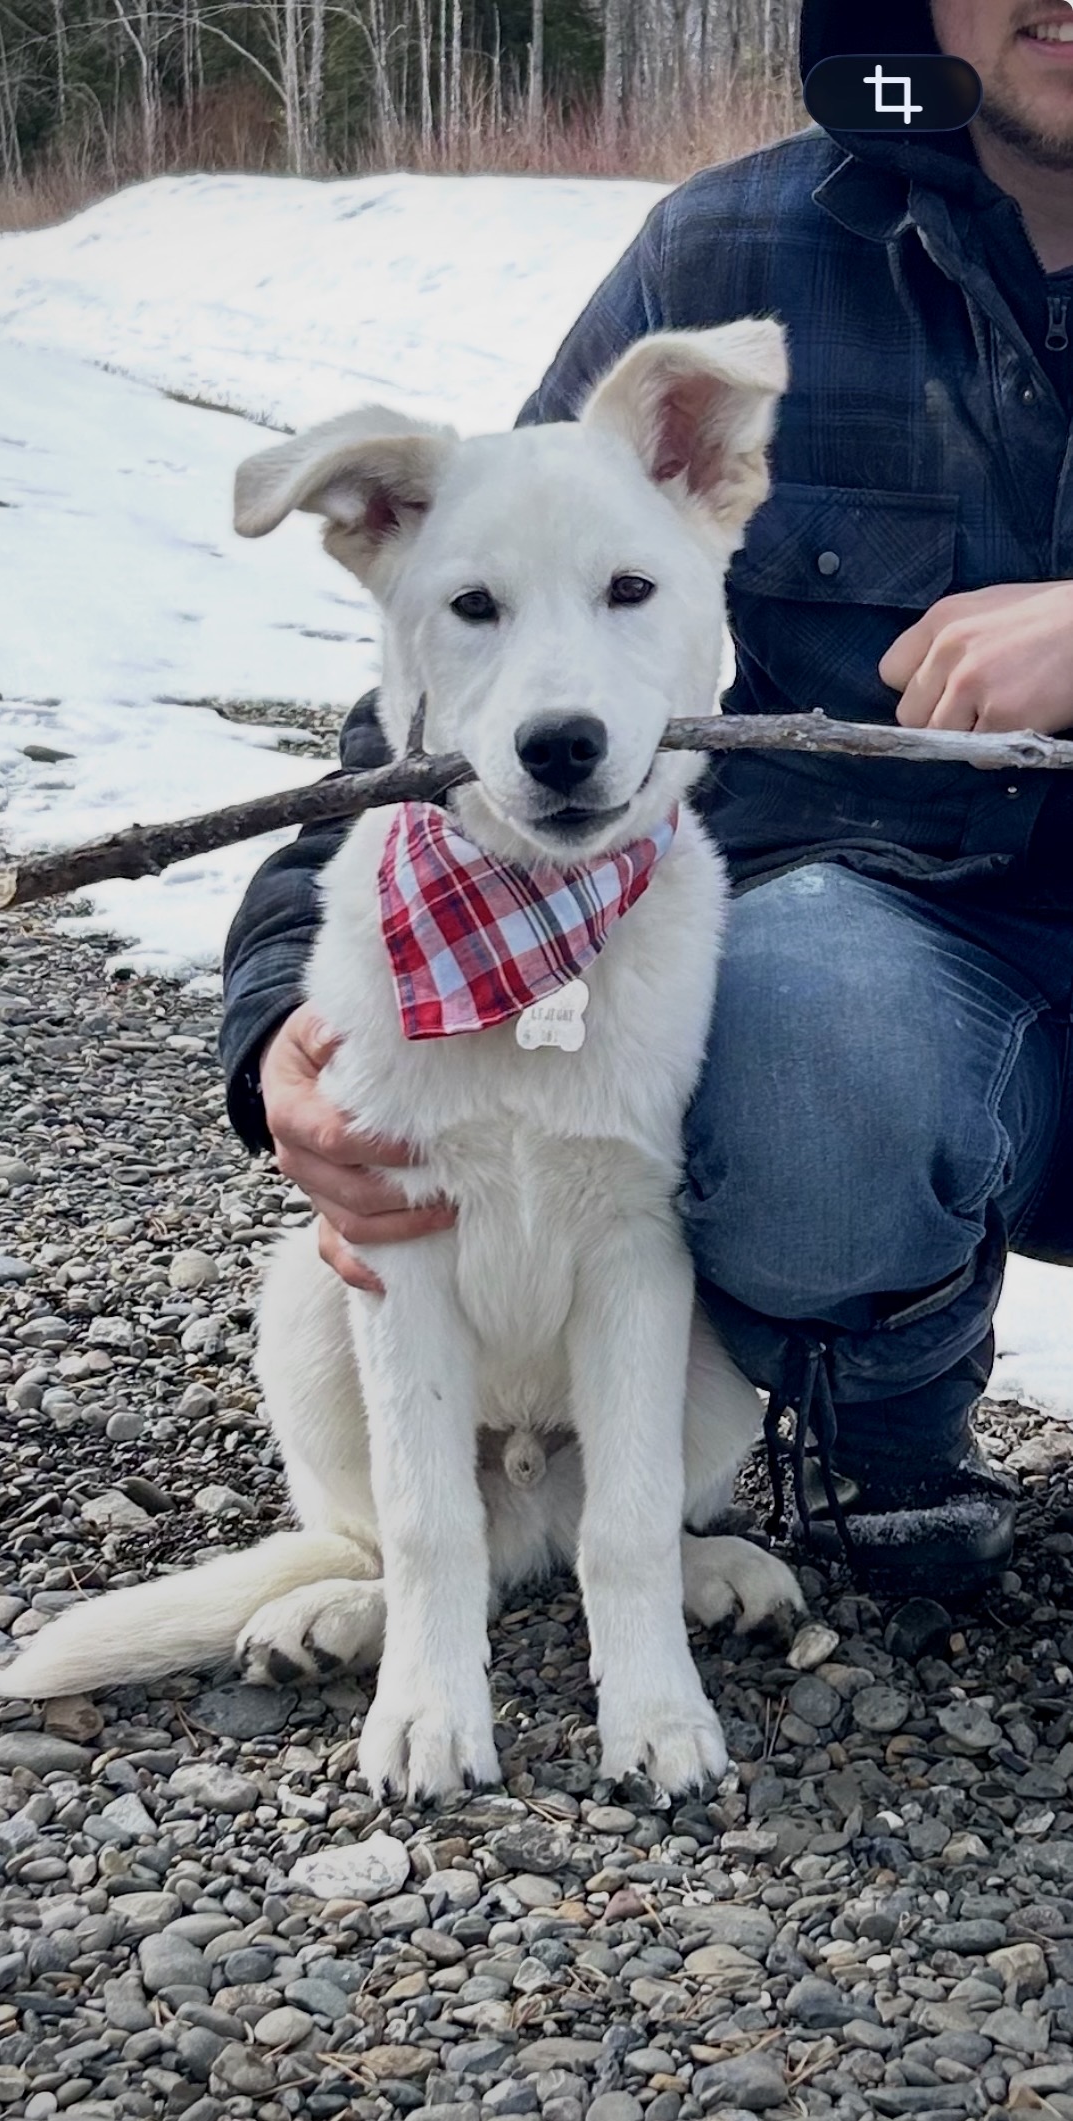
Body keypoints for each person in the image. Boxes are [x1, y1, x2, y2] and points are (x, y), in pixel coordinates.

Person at [220, 0, 1073, 1599]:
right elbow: (477, 641)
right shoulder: (733, 252)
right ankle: (889, 1415)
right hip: (884, 944)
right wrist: (285, 1021)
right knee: (795, 1041)